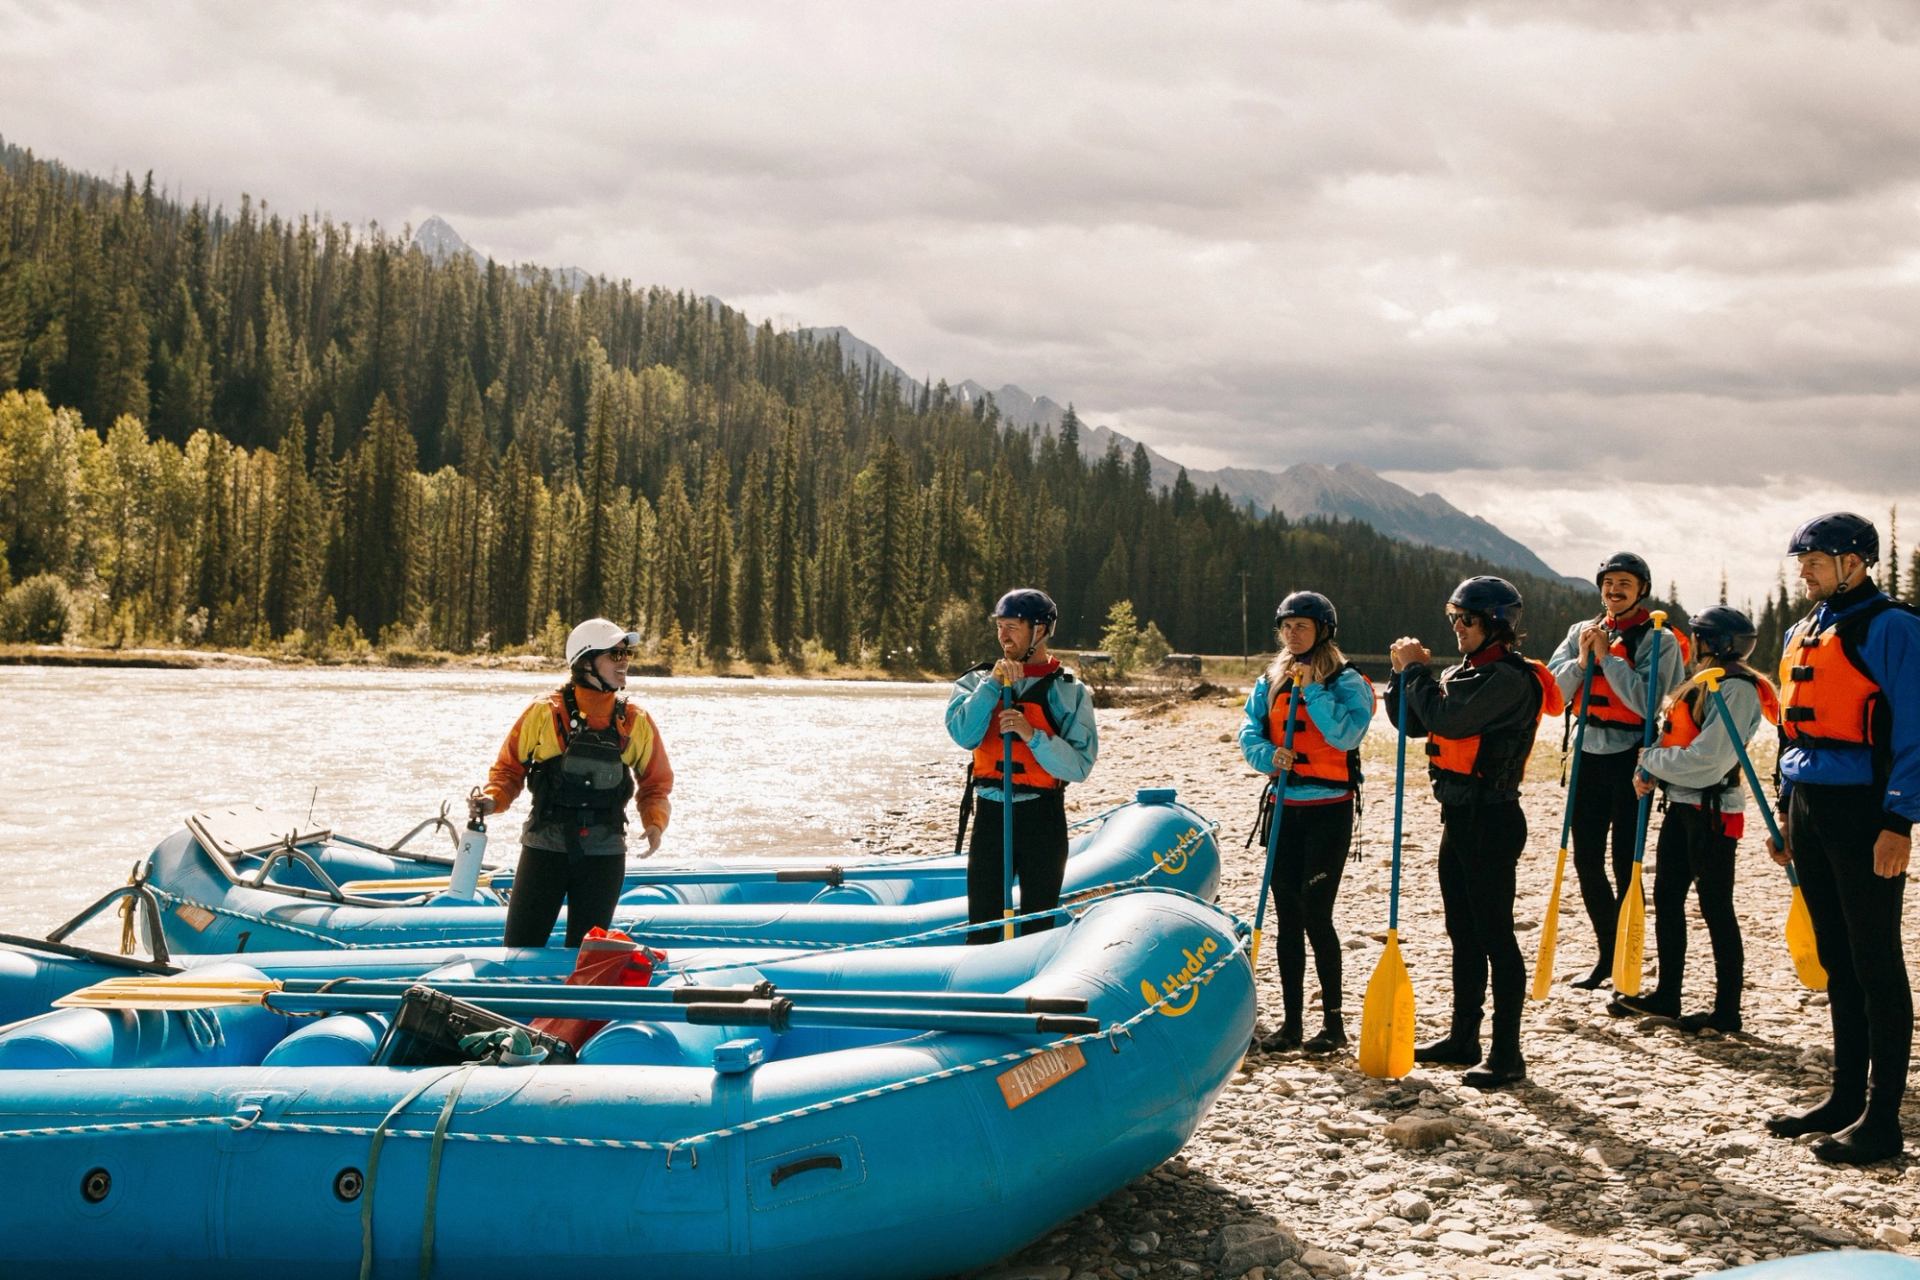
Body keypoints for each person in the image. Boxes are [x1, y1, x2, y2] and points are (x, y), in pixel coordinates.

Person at [1762, 513, 1917, 1166]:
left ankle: (1882, 1120)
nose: (1805, 569)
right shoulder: (1805, 630)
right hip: (1811, 808)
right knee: (1837, 957)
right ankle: (1844, 1098)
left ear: (1856, 562)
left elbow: (1915, 729)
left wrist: (1899, 822)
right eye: (1801, 559)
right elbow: (1790, 730)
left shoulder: (1894, 629)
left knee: (1875, 958)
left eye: (1817, 559)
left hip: (1863, 811)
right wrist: (1784, 806)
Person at [1388, 576, 1562, 1088]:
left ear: (1496, 625)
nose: (1457, 627)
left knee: (1494, 937)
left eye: (1467, 619)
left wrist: (1418, 670)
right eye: (1454, 618)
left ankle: (1508, 1054)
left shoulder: (1509, 679)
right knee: (1462, 933)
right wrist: (1403, 678)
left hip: (1492, 819)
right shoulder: (1465, 672)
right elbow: (1417, 724)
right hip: (1459, 816)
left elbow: (1451, 720)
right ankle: (1464, 1037)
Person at [1615, 606, 1778, 1032]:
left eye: (1699, 638)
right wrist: (1648, 770)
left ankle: (1728, 1011)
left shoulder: (1737, 690)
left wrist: (1652, 759)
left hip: (1713, 813)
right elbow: (1678, 743)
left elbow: (1708, 762)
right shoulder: (1700, 684)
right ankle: (1667, 995)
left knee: (1716, 908)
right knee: (1667, 899)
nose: (1694, 645)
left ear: (1715, 643)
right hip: (1681, 807)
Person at [475, 617, 674, 947]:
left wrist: (654, 823)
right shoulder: (544, 713)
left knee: (587, 953)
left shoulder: (635, 719)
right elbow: (509, 771)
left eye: (627, 654)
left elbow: (655, 783)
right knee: (520, 945)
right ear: (585, 662)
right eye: (614, 654)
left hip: (604, 853)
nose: (624, 662)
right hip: (544, 848)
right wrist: (492, 800)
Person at [1237, 591, 1376, 1054]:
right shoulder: (1270, 681)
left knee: (1317, 912)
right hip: (1285, 806)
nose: (1293, 634)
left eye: (1302, 626)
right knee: (1287, 915)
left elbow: (1346, 734)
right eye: (1287, 627)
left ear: (1322, 631)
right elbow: (1250, 732)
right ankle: (1291, 1024)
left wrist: (1312, 689)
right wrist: (1267, 755)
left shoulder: (1347, 681)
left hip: (1329, 810)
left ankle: (1333, 1025)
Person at [1546, 552, 1689, 989]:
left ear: (1641, 589)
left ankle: (1629, 956)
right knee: (1587, 861)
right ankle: (1607, 955)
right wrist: (1583, 658)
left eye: (1625, 583)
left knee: (1625, 863)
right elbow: (1554, 692)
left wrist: (1609, 659)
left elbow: (1646, 703)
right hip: (1588, 753)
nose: (1615, 590)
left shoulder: (1659, 639)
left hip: (1632, 759)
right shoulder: (1579, 633)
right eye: (1609, 583)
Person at [945, 588, 1098, 943]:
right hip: (991, 817)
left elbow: (1079, 766)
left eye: (1013, 626)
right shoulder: (975, 681)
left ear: (1040, 631)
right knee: (983, 926)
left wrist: (1033, 736)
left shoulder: (1069, 689)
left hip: (1042, 820)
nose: (1003, 636)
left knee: (1037, 927)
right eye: (1000, 626)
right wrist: (992, 687)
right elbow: (964, 735)